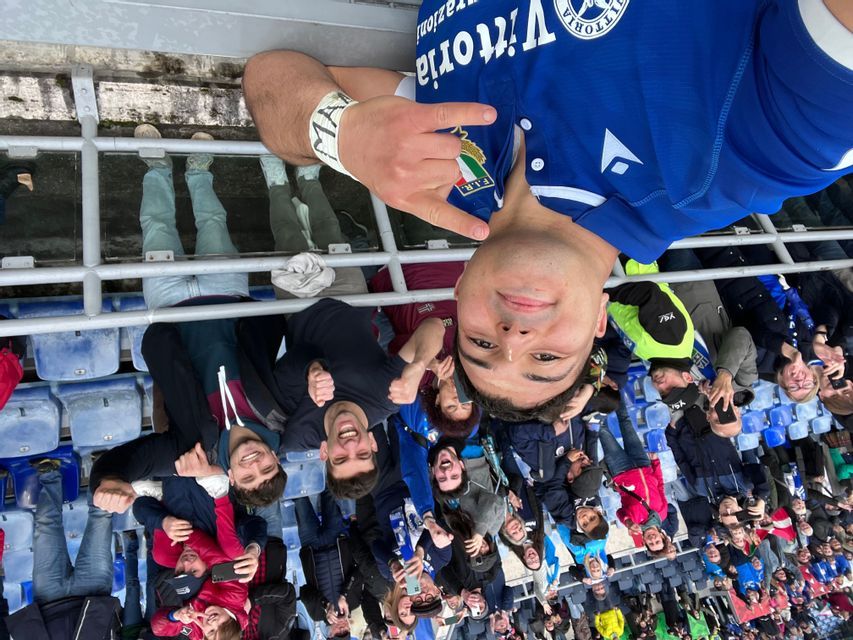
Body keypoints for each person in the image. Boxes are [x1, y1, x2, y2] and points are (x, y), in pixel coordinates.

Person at [242, 0, 853, 422]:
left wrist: (339, 134)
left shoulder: (437, 169)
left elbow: (269, 81)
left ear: (458, 301)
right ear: (598, 328)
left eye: (480, 342)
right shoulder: (742, 160)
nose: (513, 337)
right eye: (546, 358)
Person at [276, 298, 445, 498]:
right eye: (363, 454)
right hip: (350, 295)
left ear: (324, 453)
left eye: (340, 458)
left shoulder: (296, 436)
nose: (350, 446)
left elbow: (276, 376)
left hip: (298, 302)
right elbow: (435, 326)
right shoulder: (388, 397)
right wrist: (418, 365)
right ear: (373, 443)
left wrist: (310, 372)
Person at [5, 459, 121, 638]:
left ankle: (50, 475)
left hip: (48, 599)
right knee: (101, 517)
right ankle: (102, 467)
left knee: (45, 526)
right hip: (94, 593)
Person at [295, 489, 364, 638]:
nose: (342, 628)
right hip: (336, 538)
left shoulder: (316, 615)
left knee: (300, 498)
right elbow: (358, 574)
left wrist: (326, 605)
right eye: (346, 632)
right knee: (329, 491)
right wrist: (344, 595)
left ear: (330, 634)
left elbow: (305, 592)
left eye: (339, 633)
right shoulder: (354, 602)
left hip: (311, 544)